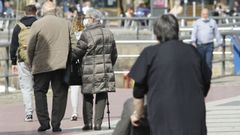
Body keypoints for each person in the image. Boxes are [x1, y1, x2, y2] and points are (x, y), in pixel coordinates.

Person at [129, 14, 212, 135]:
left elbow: (138, 90)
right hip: (193, 117)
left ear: (156, 33)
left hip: (162, 118)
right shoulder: (193, 52)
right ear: (177, 30)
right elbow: (206, 82)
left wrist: (137, 114)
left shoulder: (150, 53)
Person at [27, 1, 76, 132]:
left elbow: (30, 47)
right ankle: (56, 123)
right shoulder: (66, 24)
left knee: (39, 92)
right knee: (60, 94)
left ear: (43, 11)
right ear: (56, 11)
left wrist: (31, 63)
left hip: (41, 64)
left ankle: (44, 122)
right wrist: (69, 61)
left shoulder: (37, 24)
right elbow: (74, 45)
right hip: (61, 64)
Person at [72, 8, 118, 131]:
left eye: (87, 18)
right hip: (105, 69)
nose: (85, 20)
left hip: (88, 71)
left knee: (87, 95)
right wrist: (108, 65)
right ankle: (98, 124)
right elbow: (114, 54)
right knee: (102, 94)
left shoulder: (86, 34)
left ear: (92, 19)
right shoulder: (109, 33)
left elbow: (77, 53)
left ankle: (88, 123)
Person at [10, 4, 37, 122]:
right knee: (39, 88)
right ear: (35, 12)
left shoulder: (18, 26)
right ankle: (43, 114)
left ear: (25, 13)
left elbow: (13, 46)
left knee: (26, 88)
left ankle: (29, 114)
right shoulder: (39, 24)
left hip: (22, 60)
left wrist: (13, 61)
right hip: (38, 60)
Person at [69, 12, 85, 121]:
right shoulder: (86, 32)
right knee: (86, 89)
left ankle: (74, 112)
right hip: (85, 63)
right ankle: (87, 112)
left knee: (74, 89)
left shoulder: (70, 32)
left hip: (74, 63)